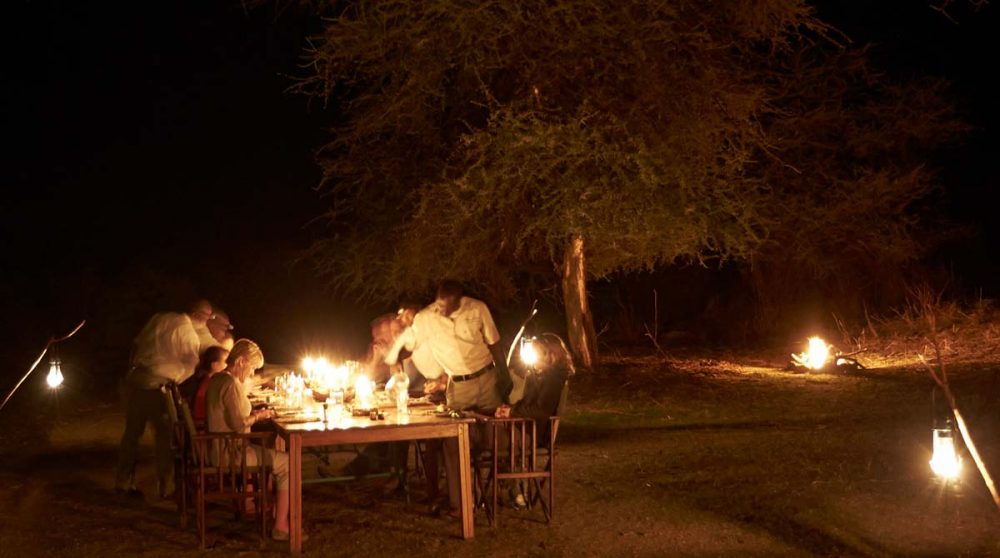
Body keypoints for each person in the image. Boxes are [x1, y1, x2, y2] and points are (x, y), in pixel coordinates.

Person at [388, 279, 509, 517]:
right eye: (441, 303)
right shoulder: (425, 319)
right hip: (459, 385)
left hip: (485, 376)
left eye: (451, 303)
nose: (445, 308)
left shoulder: (477, 308)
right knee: (454, 441)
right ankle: (461, 504)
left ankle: (502, 489)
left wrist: (503, 374)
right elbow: (408, 346)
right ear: (438, 299)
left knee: (496, 435)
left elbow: (494, 343)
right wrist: (394, 359)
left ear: (459, 299)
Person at [114, 300, 212, 500]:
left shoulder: (159, 317)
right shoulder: (187, 333)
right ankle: (164, 486)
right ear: (200, 316)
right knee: (164, 436)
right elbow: (191, 365)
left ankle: (123, 482)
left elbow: (136, 343)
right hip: (159, 387)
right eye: (207, 318)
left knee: (132, 434)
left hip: (136, 381)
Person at [204, 339, 297, 541]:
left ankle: (272, 511)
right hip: (231, 454)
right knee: (289, 463)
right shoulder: (229, 383)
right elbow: (238, 425)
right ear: (241, 361)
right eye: (252, 368)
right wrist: (259, 417)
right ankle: (281, 525)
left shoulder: (219, 379)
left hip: (220, 448)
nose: (252, 374)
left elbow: (231, 416)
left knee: (275, 452)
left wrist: (254, 412)